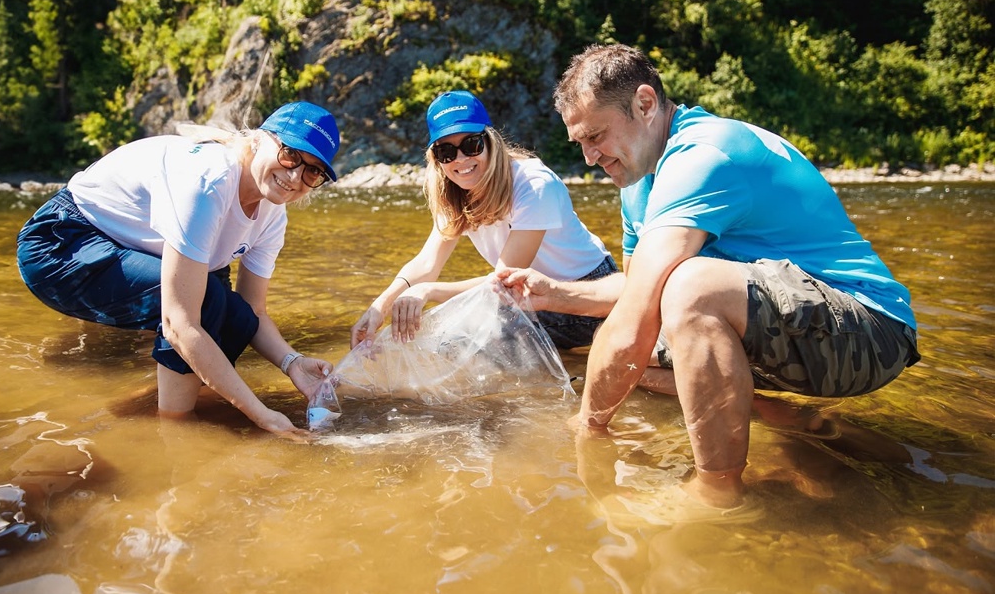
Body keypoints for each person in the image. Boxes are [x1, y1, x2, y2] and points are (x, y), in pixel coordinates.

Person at [498, 44, 921, 509]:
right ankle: (779, 414)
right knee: (623, 349)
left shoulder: (704, 156)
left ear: (644, 103)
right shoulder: (638, 178)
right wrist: (557, 293)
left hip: (870, 329)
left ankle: (717, 493)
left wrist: (588, 429)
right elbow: (639, 285)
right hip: (801, 330)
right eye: (580, 142)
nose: (590, 157)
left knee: (684, 294)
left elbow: (645, 309)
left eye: (596, 135)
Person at [17, 101, 342, 439]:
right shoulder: (209, 181)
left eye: (312, 171)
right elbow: (179, 323)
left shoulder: (273, 215)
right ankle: (175, 433)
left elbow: (254, 310)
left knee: (236, 317)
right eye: (290, 154)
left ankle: (163, 403)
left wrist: (292, 363)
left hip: (138, 244)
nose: (294, 176)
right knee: (204, 305)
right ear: (260, 139)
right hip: (62, 242)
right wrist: (262, 415)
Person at [350, 90, 616, 350]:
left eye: (471, 145)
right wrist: (380, 307)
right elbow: (427, 262)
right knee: (438, 345)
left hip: (587, 295)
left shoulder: (534, 185)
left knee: (460, 346)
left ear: (491, 142)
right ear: (437, 160)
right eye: (447, 152)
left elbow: (504, 282)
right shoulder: (454, 192)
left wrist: (428, 292)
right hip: (527, 299)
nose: (461, 159)